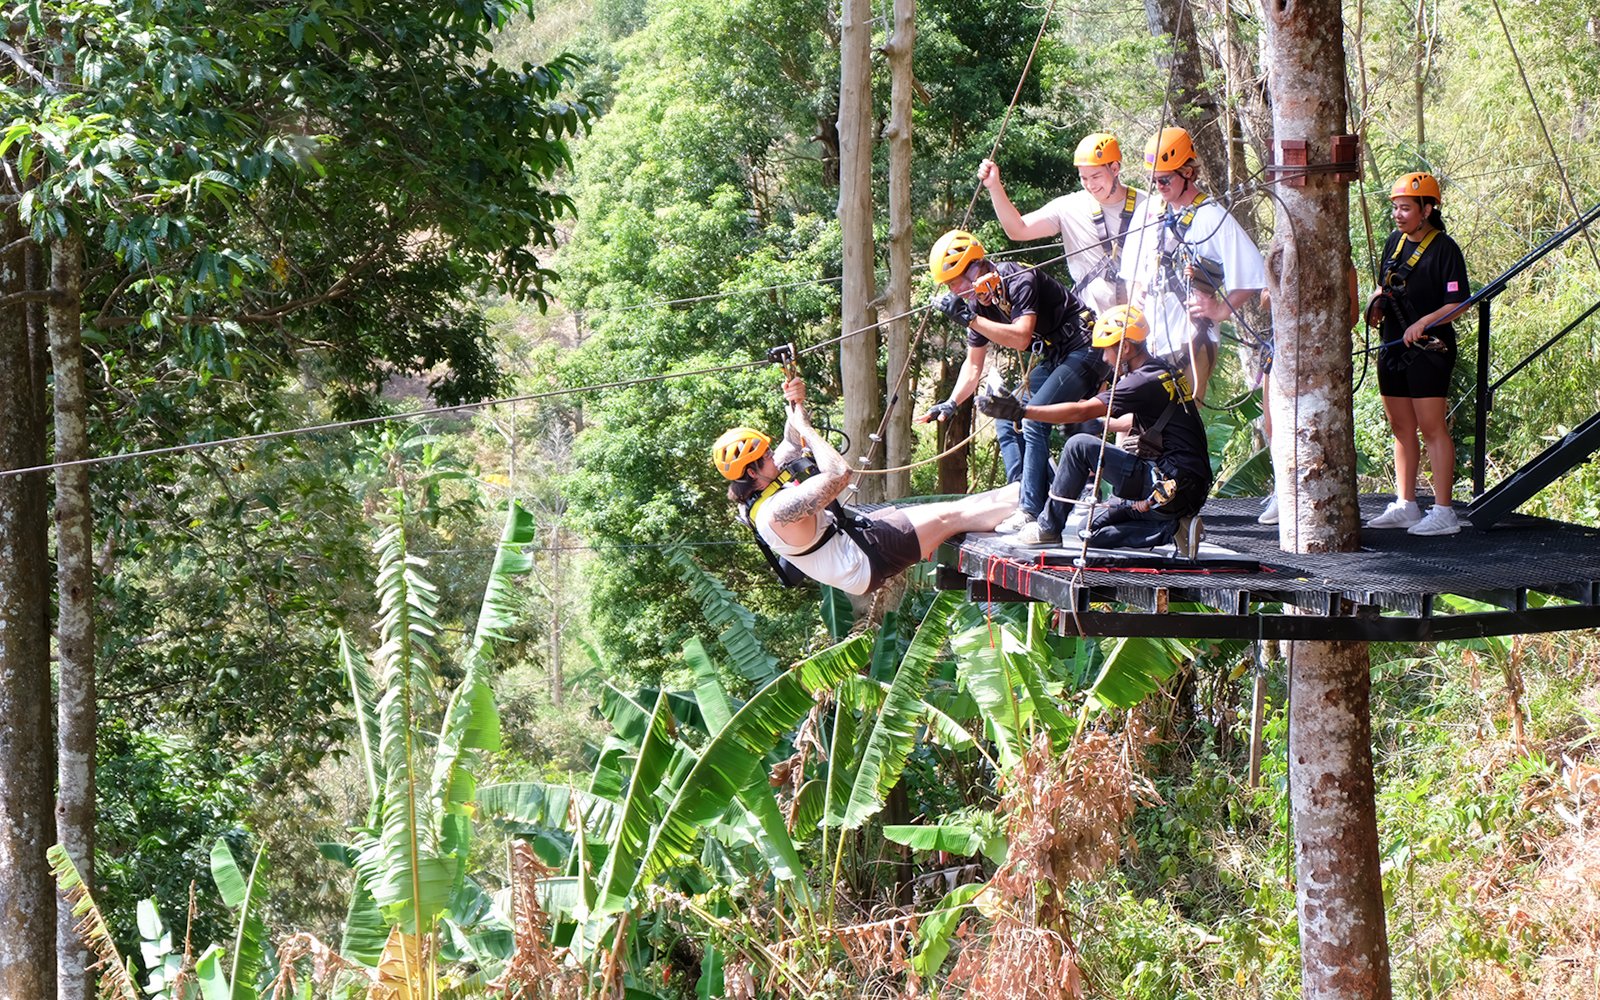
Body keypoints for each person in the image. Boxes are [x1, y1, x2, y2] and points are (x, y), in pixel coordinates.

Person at [716, 376, 1019, 595]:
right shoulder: (776, 512)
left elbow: (791, 442)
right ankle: (1029, 502)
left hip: (854, 538)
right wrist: (807, 428)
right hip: (861, 561)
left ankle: (1024, 495)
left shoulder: (757, 492)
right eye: (766, 457)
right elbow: (838, 473)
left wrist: (794, 399)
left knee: (954, 509)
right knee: (952, 517)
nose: (773, 457)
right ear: (753, 472)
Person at [977, 305, 1212, 555]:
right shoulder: (1163, 371)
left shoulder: (1140, 381)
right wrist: (1099, 426)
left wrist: (1022, 412)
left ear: (1126, 348)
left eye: (1106, 351)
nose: (1104, 359)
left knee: (1078, 446)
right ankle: (1174, 528)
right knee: (1089, 531)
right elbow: (1145, 421)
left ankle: (1048, 528)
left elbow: (1084, 410)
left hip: (1169, 483)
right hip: (1185, 487)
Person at [918, 229, 1105, 535]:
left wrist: (970, 319)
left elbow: (1021, 337)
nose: (956, 293)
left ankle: (1030, 511)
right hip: (1056, 354)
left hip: (1086, 348)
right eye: (951, 288)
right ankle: (1030, 491)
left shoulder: (1019, 279)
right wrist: (951, 404)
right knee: (1007, 417)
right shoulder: (979, 306)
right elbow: (973, 364)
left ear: (976, 268)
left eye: (956, 284)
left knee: (1031, 419)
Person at [1120, 126, 1266, 404]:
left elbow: (1253, 272)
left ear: (1187, 172)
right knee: (1141, 427)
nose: (1159, 188)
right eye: (1154, 181)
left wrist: (1221, 310)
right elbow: (1132, 270)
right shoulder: (1148, 213)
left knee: (1180, 424)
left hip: (1191, 338)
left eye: (1165, 180)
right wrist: (1137, 291)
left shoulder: (1211, 217)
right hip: (1150, 338)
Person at [1362, 170, 1472, 536]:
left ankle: (1444, 510)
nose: (1398, 215)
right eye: (1395, 208)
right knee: (1400, 426)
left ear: (1427, 209)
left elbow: (1458, 303)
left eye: (1406, 208)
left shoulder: (1445, 249)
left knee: (1431, 426)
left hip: (1429, 348)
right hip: (1393, 343)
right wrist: (1375, 304)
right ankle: (1406, 503)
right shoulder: (1394, 242)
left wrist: (1424, 322)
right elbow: (1384, 283)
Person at [976, 131, 1150, 314]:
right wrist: (994, 187)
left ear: (1114, 169)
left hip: (1140, 319)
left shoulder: (1147, 206)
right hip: (1093, 324)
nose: (1090, 185)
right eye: (1084, 178)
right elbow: (1018, 230)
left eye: (1096, 176)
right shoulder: (1070, 207)